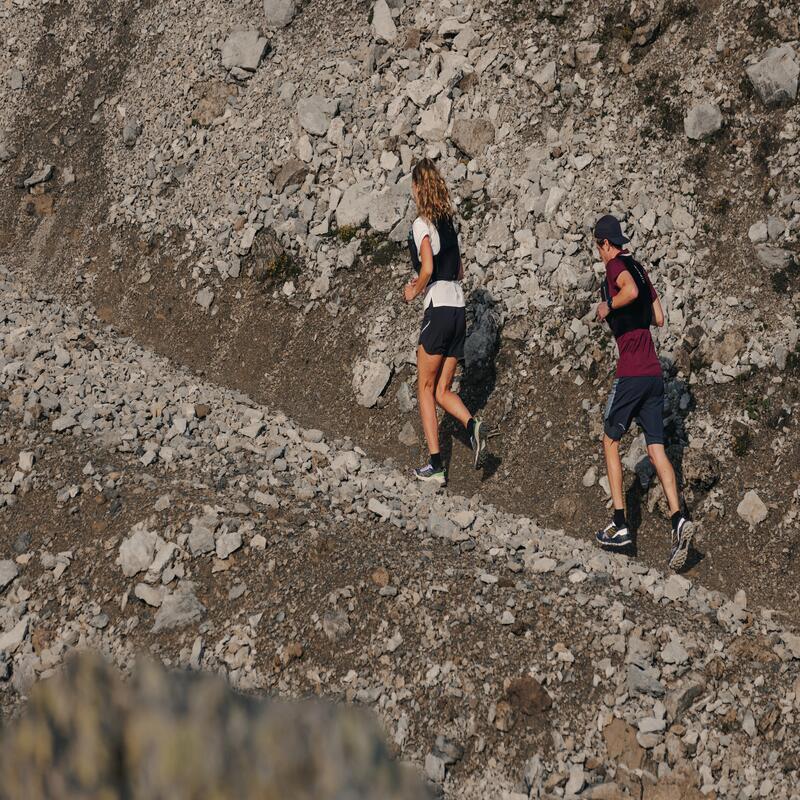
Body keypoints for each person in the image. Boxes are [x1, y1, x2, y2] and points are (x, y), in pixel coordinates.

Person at [592, 214, 694, 570]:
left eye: (599, 247)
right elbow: (660, 317)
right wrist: (632, 312)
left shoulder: (616, 266)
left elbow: (629, 293)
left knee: (609, 440)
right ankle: (679, 519)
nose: (601, 254)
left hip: (633, 372)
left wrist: (610, 306)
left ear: (605, 243)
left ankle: (621, 526)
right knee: (656, 449)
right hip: (654, 374)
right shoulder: (639, 267)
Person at [403, 158, 486, 485]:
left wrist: (413, 291)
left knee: (423, 387)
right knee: (442, 389)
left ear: (417, 188)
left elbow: (426, 269)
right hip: (458, 308)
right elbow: (461, 271)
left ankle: (436, 465)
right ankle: (473, 426)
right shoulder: (449, 225)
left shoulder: (421, 224)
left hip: (437, 307)